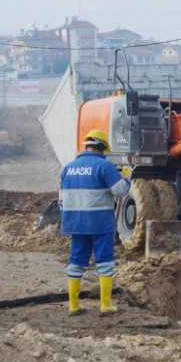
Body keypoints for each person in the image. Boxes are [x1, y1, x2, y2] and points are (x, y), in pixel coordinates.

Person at [59, 129, 131, 317]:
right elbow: (120, 191)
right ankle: (105, 306)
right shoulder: (104, 166)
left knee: (77, 262)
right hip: (100, 222)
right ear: (102, 148)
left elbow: (61, 201)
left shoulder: (68, 168)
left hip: (75, 223)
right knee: (104, 261)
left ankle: (74, 306)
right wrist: (126, 177)